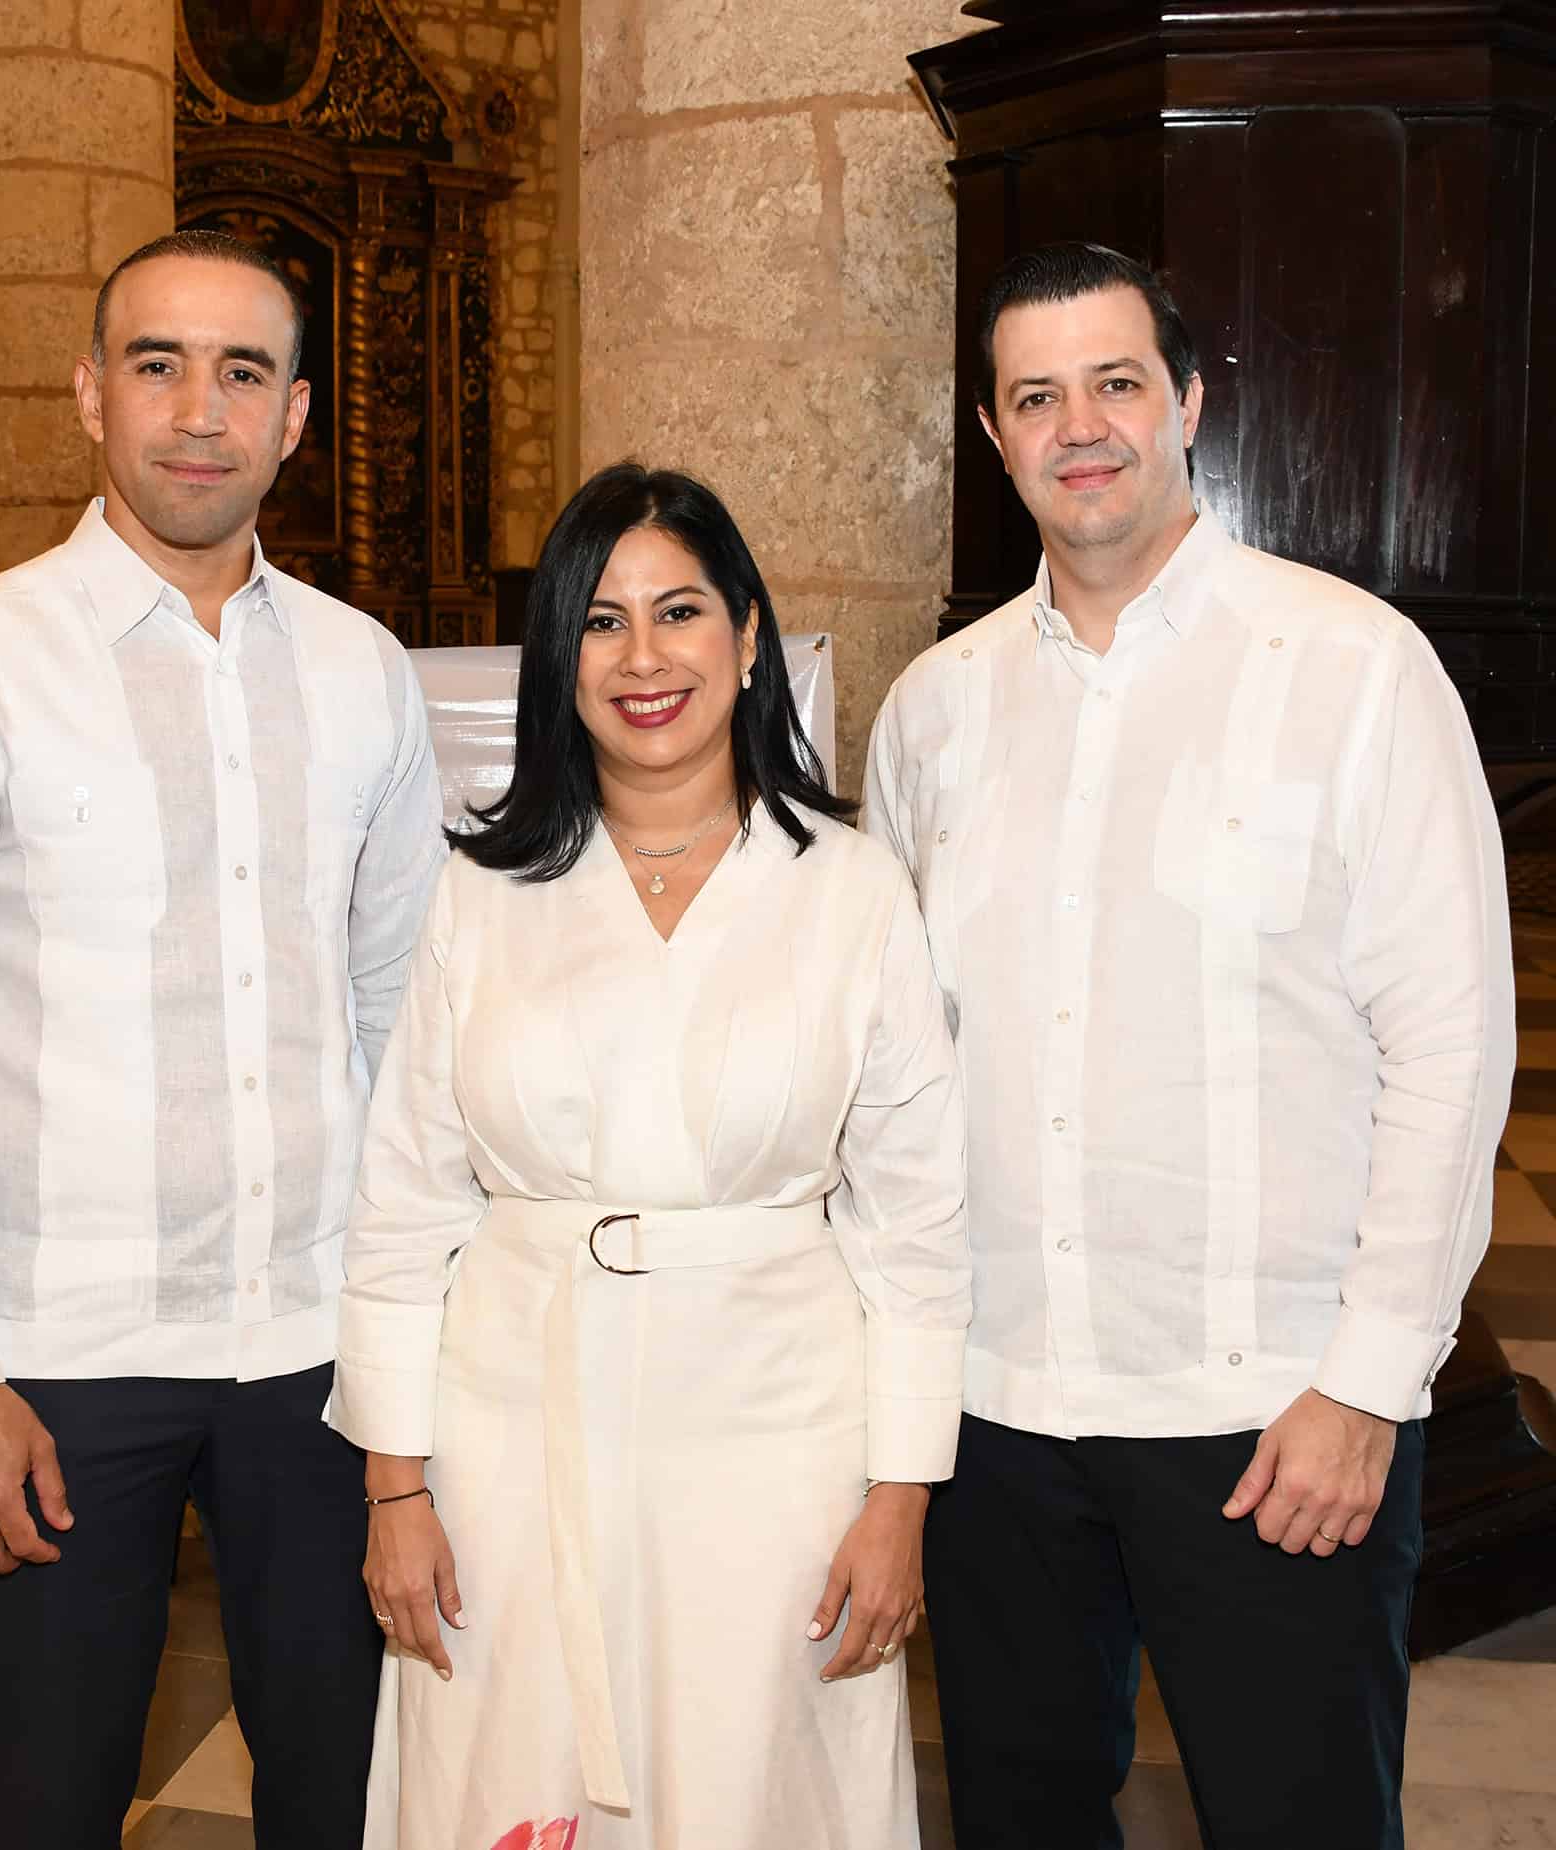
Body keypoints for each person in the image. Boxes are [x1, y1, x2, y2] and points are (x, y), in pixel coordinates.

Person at [865, 240, 1515, 1849]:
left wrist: (1369, 1379)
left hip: (1268, 1411)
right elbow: (891, 1072)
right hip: (996, 1409)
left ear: (1190, 403)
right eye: (1037, 396)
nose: (1080, 426)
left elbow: (1450, 1047)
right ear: (994, 432)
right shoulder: (932, 715)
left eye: (1116, 384)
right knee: (1020, 1816)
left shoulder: (1355, 670)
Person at [0, 229, 445, 1849]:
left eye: (243, 372)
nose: (198, 410)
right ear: (92, 395)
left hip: (321, 1353)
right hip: (59, 1357)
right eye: (156, 363)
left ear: (296, 416)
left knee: (346, 1794)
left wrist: (423, 1334)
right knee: (52, 1803)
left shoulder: (368, 677)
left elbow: (404, 1013)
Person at [325, 462, 971, 1850]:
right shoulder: (482, 896)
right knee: (510, 1765)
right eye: (599, 622)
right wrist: (397, 1486)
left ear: (748, 639)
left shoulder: (853, 894)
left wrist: (900, 1491)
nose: (642, 655)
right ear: (556, 665)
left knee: (757, 1779)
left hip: (776, 1443)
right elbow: (402, 1207)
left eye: (679, 610)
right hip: (506, 1430)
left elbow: (917, 1225)